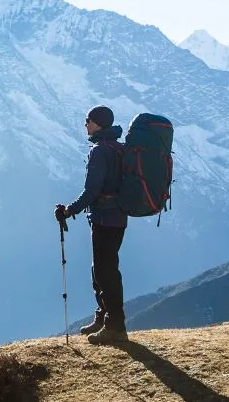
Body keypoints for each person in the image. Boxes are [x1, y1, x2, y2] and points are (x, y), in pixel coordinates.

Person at [55, 105, 128, 345]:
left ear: (98, 124)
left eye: (88, 120)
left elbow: (91, 191)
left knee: (105, 272)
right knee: (102, 269)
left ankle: (115, 326)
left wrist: (69, 210)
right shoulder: (119, 148)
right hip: (118, 217)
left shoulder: (99, 151)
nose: (85, 124)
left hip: (104, 218)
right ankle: (104, 317)